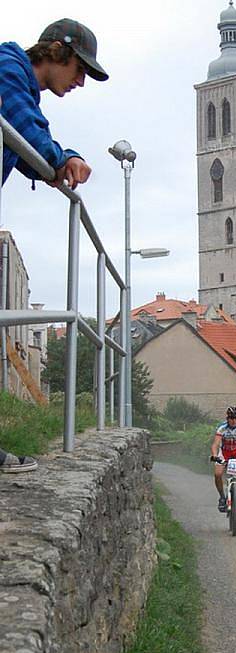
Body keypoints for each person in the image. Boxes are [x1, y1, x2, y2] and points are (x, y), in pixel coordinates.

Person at [0, 19, 108, 473]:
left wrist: (54, 161)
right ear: (57, 52)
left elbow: (29, 151)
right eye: (79, 69)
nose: (80, 81)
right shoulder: (7, 68)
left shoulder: (21, 85)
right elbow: (27, 127)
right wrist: (62, 157)